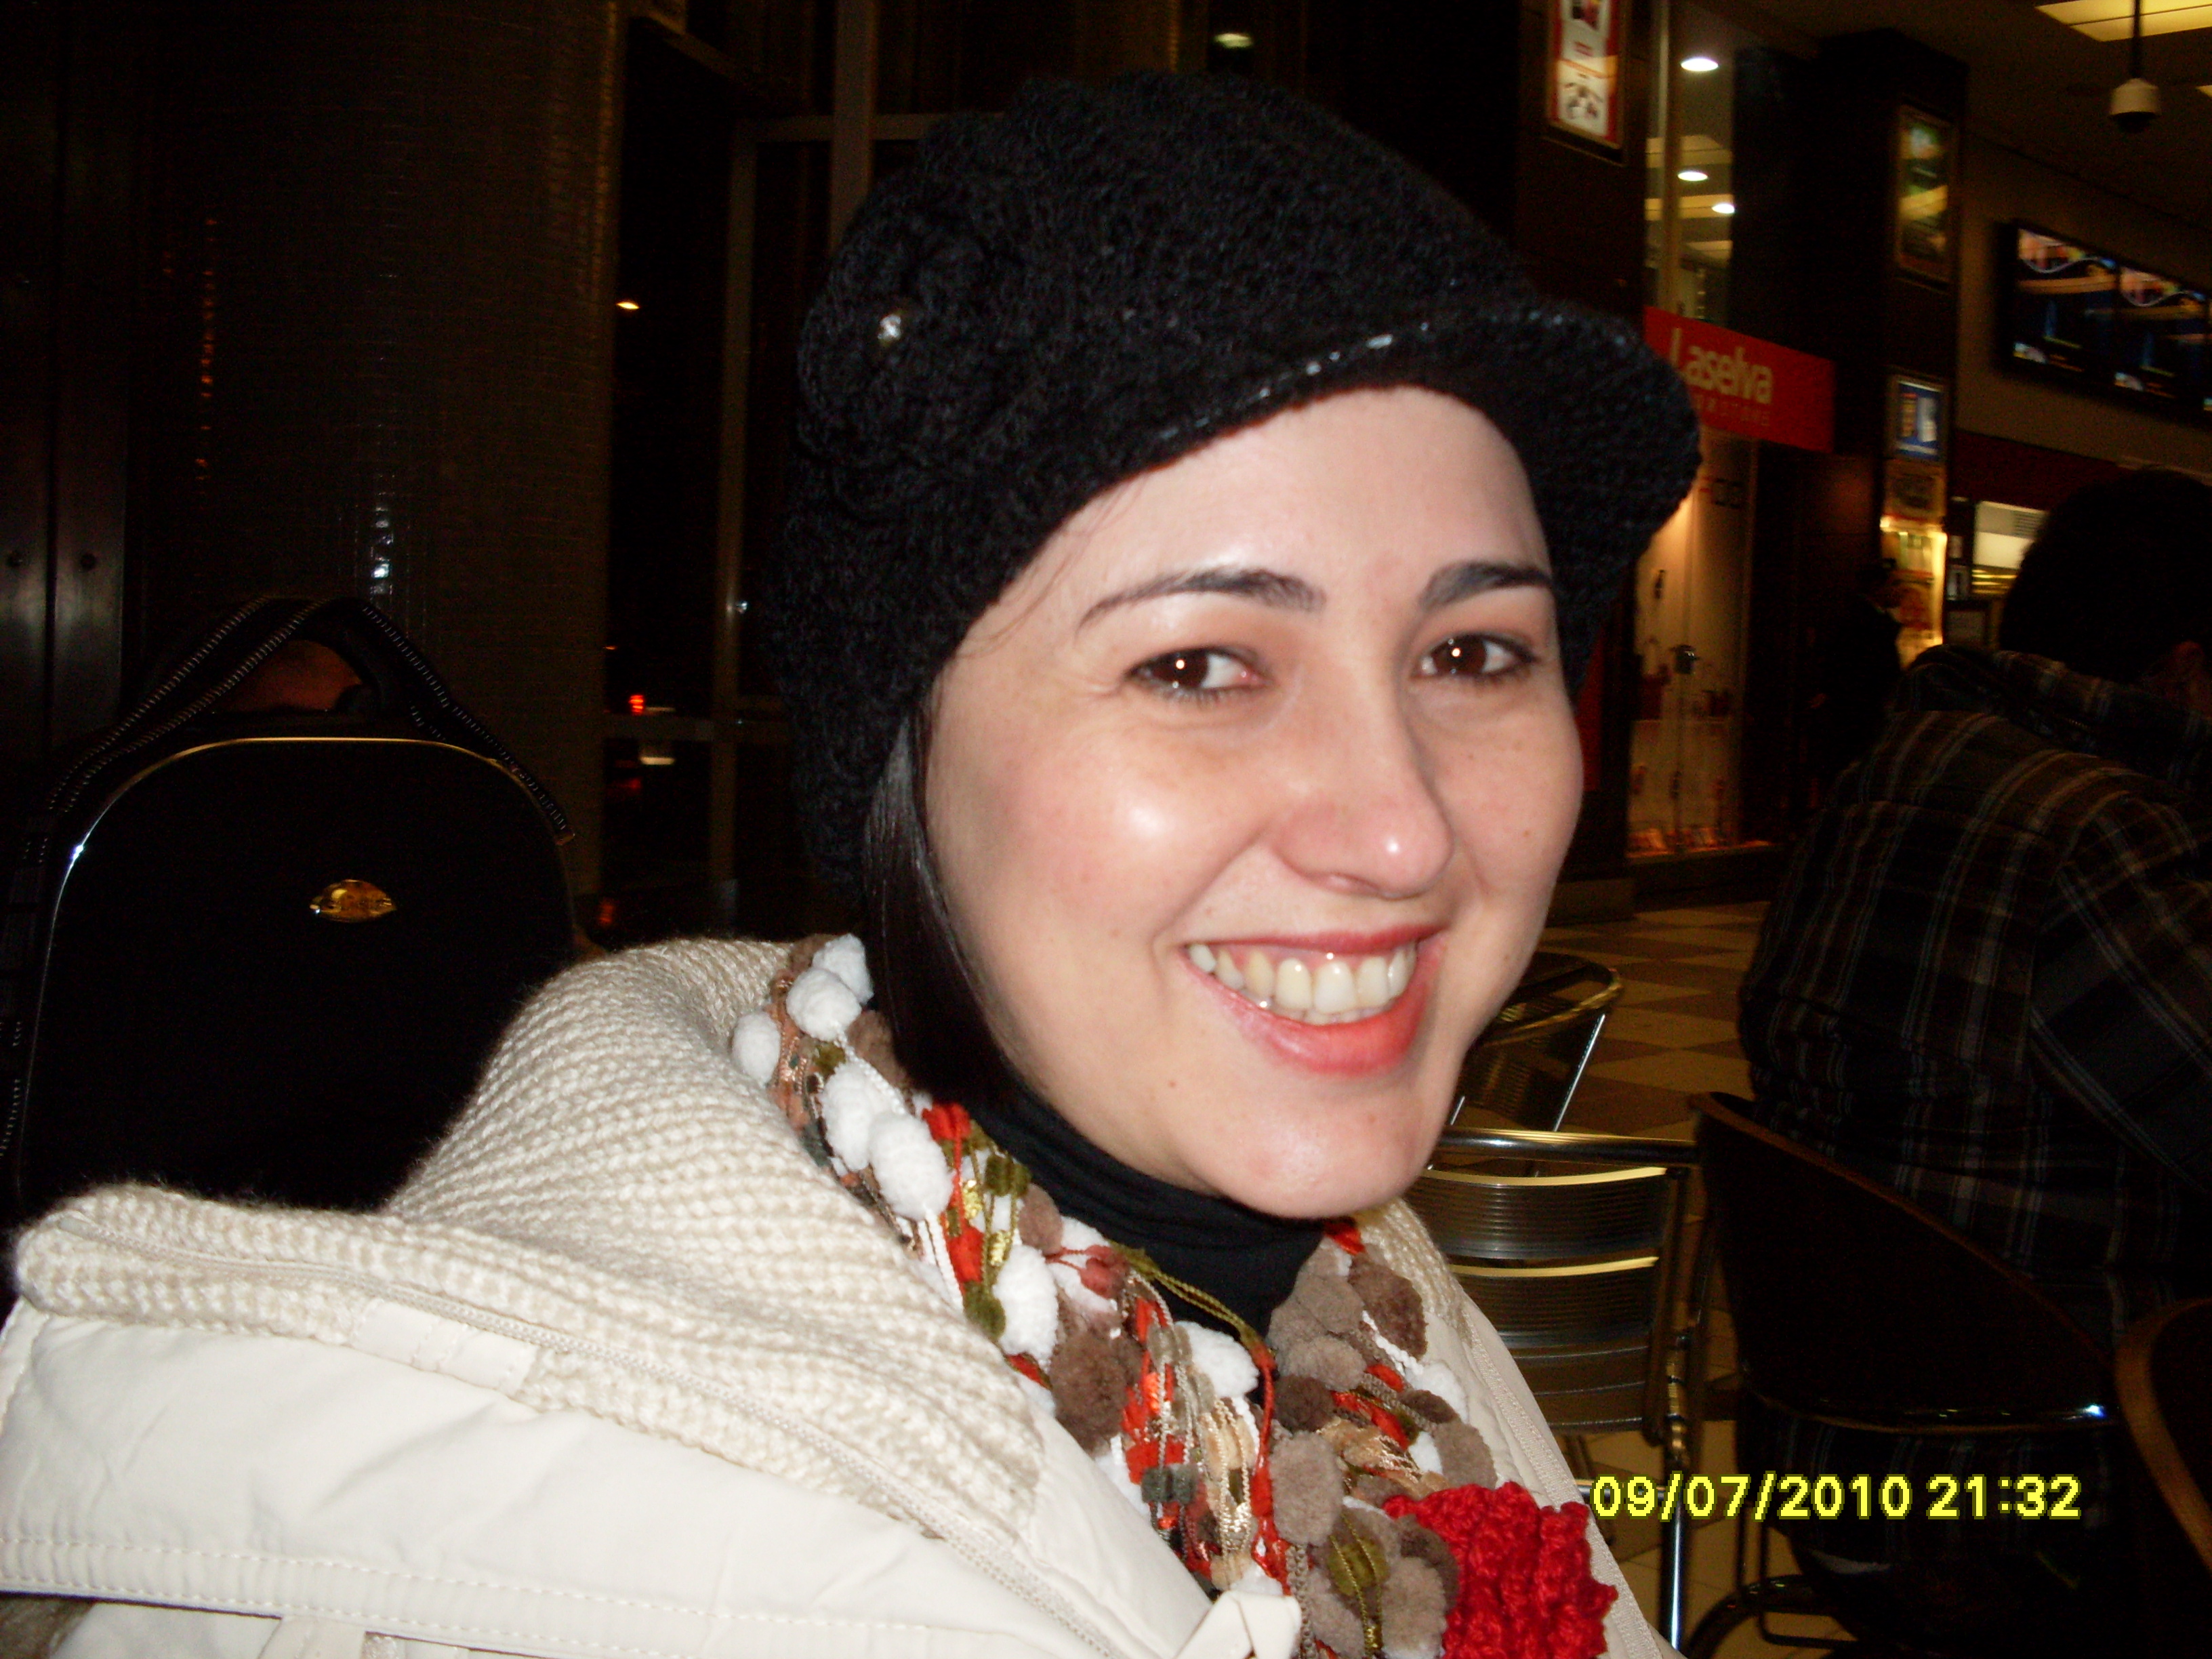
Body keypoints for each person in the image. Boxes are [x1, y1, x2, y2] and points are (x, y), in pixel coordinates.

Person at [0, 75, 1698, 1659]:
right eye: (1197, 666)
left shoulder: (1372, 1307)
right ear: (901, 747)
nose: (1401, 828)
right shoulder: (556, 1570)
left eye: (1473, 652)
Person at [1736, 467, 2212, 1656]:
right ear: (2186, 673)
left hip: (1830, 1453)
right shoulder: (2096, 828)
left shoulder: (1896, 771)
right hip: (2033, 1488)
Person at [1808, 558, 1904, 783]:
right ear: (1876, 587)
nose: (1899, 591)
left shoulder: (1863, 618)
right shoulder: (1866, 624)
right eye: (1893, 584)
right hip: (1860, 718)